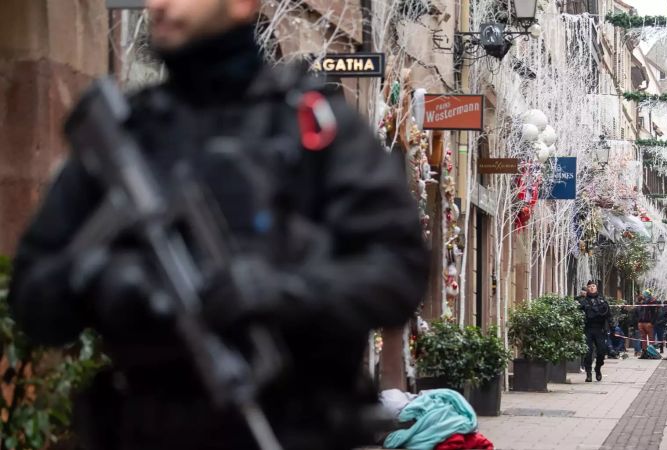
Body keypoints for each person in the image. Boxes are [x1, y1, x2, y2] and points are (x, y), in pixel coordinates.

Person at [7, 0, 429, 448]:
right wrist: (106, 282)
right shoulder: (133, 133)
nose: (159, 4)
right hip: (148, 430)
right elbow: (33, 296)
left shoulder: (312, 130)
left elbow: (399, 274)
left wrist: (283, 292)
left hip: (292, 429)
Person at [577, 280, 610, 382]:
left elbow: (609, 315)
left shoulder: (602, 300)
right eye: (590, 286)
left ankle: (598, 368)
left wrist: (611, 328)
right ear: (587, 288)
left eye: (593, 286)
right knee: (588, 352)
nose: (592, 288)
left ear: (596, 288)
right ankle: (588, 373)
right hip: (588, 329)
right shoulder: (583, 301)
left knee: (601, 351)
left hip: (599, 329)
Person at [635, 289, 658, 355]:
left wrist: (652, 322)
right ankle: (644, 352)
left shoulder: (651, 301)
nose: (643, 295)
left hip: (648, 322)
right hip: (642, 322)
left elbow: (655, 312)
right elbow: (637, 311)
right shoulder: (642, 302)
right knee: (643, 337)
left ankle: (651, 352)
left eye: (644, 294)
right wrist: (638, 321)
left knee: (650, 337)